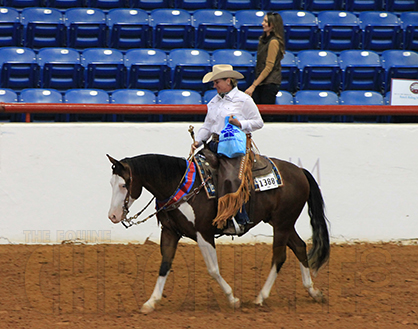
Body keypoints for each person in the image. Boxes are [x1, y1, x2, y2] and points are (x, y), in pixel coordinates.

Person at [191, 64, 264, 234]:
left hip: (234, 145)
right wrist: (199, 141)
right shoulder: (214, 101)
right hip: (215, 143)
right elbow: (208, 126)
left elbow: (258, 122)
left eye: (217, 82)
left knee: (231, 178)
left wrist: (241, 124)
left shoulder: (244, 100)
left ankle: (238, 218)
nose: (214, 85)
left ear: (228, 81)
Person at [245, 12, 286, 104]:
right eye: (263, 21)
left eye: (266, 21)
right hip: (262, 82)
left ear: (273, 25)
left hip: (269, 84)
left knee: (266, 115)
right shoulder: (263, 40)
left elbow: (269, 67)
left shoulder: (273, 42)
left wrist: (253, 85)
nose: (262, 23)